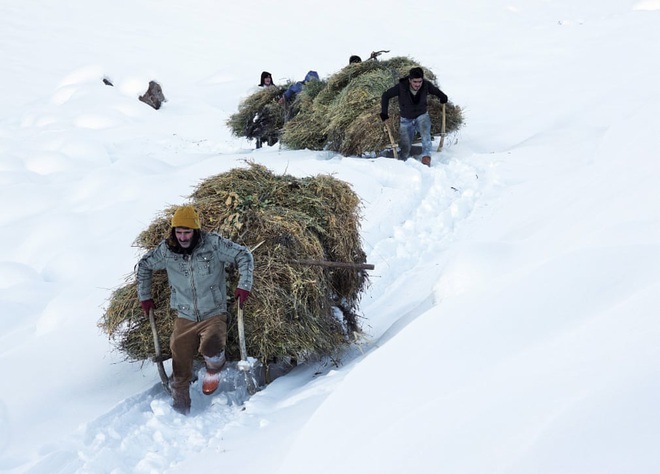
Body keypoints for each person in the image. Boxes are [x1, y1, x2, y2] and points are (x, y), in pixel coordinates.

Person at [136, 205, 254, 415]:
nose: (182, 237)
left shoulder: (214, 245)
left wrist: (244, 285)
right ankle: (181, 407)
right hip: (185, 315)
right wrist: (145, 297)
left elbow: (244, 255)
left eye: (187, 232)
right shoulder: (167, 251)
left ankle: (214, 369)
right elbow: (144, 266)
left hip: (213, 312)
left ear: (196, 231)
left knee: (212, 345)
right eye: (178, 232)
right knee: (179, 359)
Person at [380, 66, 448, 166]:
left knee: (426, 134)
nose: (418, 84)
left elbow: (436, 91)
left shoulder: (426, 85)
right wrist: (384, 112)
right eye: (415, 82)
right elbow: (385, 95)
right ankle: (404, 158)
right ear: (410, 80)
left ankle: (426, 156)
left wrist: (443, 97)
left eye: (420, 81)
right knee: (405, 143)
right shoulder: (401, 87)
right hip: (406, 118)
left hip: (421, 115)